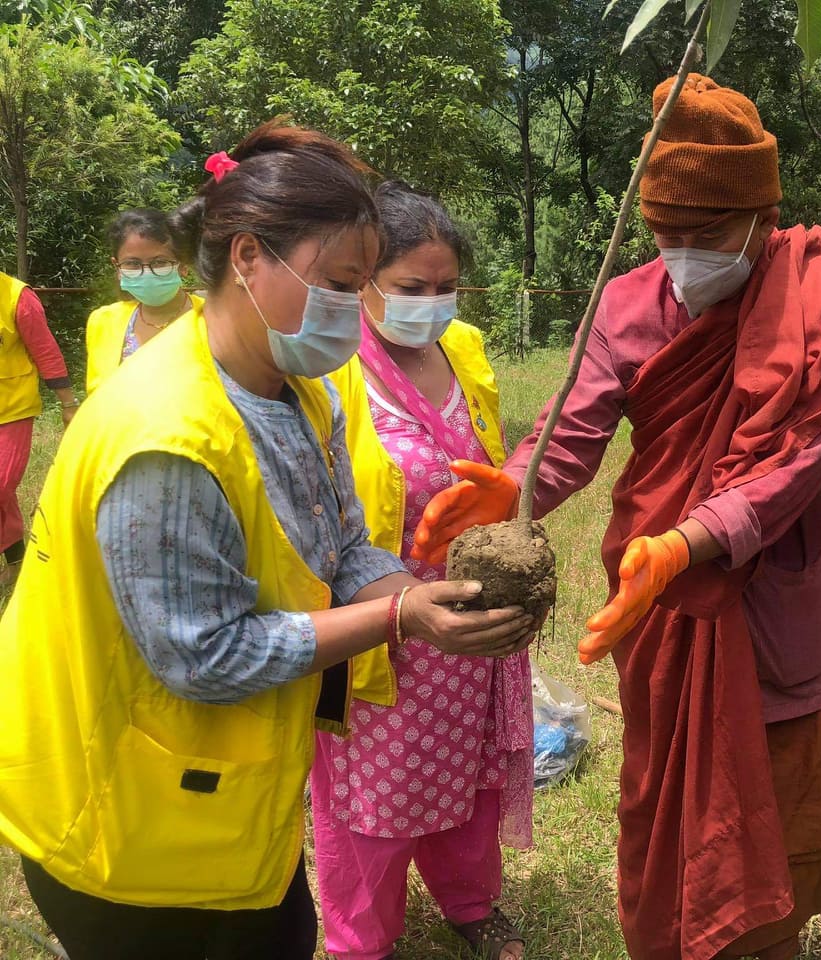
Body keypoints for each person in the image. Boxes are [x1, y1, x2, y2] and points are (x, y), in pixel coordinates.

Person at [0, 120, 536, 960]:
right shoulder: (166, 438)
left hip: (221, 797)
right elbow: (206, 657)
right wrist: (404, 621)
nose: (348, 308)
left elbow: (344, 541)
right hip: (120, 821)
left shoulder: (297, 385)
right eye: (339, 282)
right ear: (248, 257)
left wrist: (415, 592)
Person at [416, 75, 821, 960]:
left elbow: (797, 465)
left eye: (705, 235)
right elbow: (574, 431)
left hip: (794, 605)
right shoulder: (628, 303)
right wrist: (517, 483)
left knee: (814, 825)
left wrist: (690, 541)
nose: (682, 255)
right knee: (693, 810)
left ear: (761, 213)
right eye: (663, 234)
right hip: (665, 608)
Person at [314, 181, 532, 960]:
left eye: (446, 288)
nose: (432, 305)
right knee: (375, 796)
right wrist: (404, 600)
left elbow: (494, 462)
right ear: (365, 280)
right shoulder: (332, 367)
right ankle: (359, 940)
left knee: (468, 780)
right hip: (382, 623)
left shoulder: (463, 348)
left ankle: (470, 904)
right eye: (412, 288)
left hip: (471, 618)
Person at [0, 273, 77, 587]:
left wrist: (68, 403)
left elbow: (45, 350)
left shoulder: (17, 297)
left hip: (12, 409)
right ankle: (17, 559)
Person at [84, 208, 204, 396]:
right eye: (133, 264)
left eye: (159, 262)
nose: (146, 273)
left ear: (183, 265)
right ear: (117, 267)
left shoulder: (213, 321)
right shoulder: (103, 321)